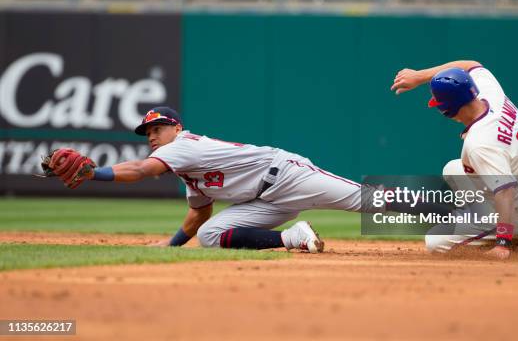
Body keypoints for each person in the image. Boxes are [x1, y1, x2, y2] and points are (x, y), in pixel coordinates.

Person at [48, 107, 372, 253]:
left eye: (158, 128)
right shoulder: (184, 168)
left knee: (366, 201)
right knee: (210, 234)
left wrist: (94, 173)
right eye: (148, 133)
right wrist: (171, 246)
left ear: (176, 128)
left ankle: (425, 208)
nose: (152, 136)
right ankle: (293, 239)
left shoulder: (184, 147)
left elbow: (141, 170)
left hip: (288, 175)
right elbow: (199, 214)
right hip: (264, 202)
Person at [391, 60, 518, 259]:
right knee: (453, 169)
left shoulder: (480, 143)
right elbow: (471, 64)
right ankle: (510, 228)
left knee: (434, 241)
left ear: (447, 109)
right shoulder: (490, 93)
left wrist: (502, 242)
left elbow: (505, 190)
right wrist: (420, 76)